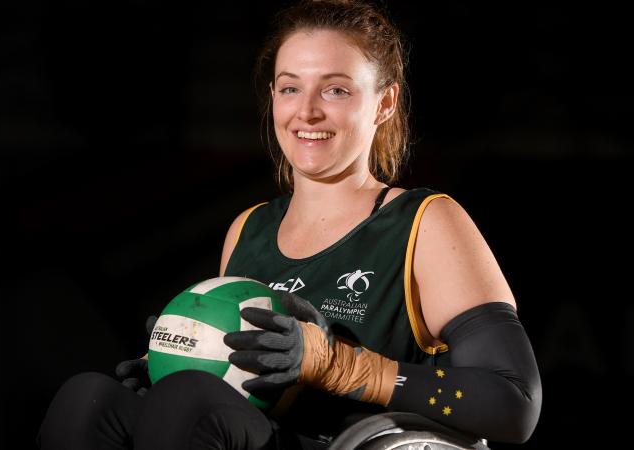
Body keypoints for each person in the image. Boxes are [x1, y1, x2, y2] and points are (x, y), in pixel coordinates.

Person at [37, 1, 541, 448]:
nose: (307, 111)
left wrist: (343, 366)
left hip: (352, 440)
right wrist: (180, 357)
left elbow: (514, 405)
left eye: (337, 90)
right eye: (290, 88)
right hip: (260, 433)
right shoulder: (249, 227)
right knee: (90, 398)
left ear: (384, 103)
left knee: (188, 400)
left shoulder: (424, 222)